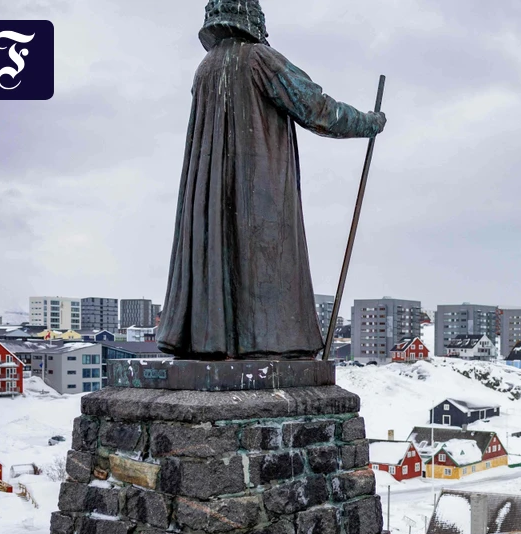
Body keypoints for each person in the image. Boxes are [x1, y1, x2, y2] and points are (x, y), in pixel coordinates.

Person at [158, 0, 386, 360]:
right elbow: (316, 108)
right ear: (252, 17)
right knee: (264, 260)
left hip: (213, 195)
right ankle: (268, 341)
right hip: (257, 189)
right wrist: (369, 123)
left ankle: (216, 341)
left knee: (224, 256)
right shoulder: (258, 58)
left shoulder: (206, 68)